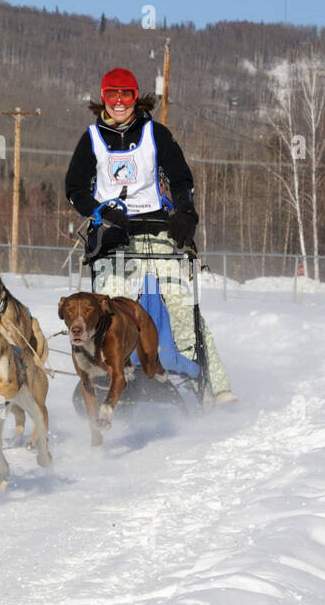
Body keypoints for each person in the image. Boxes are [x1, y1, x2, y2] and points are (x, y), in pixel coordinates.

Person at [65, 67, 236, 405]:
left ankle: (219, 387)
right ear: (103, 97)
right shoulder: (92, 138)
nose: (118, 102)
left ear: (135, 97)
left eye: (125, 95)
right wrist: (100, 212)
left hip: (157, 233)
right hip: (113, 237)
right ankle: (119, 379)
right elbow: (74, 189)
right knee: (111, 314)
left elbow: (181, 178)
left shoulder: (155, 133)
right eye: (111, 94)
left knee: (183, 310)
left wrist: (185, 213)